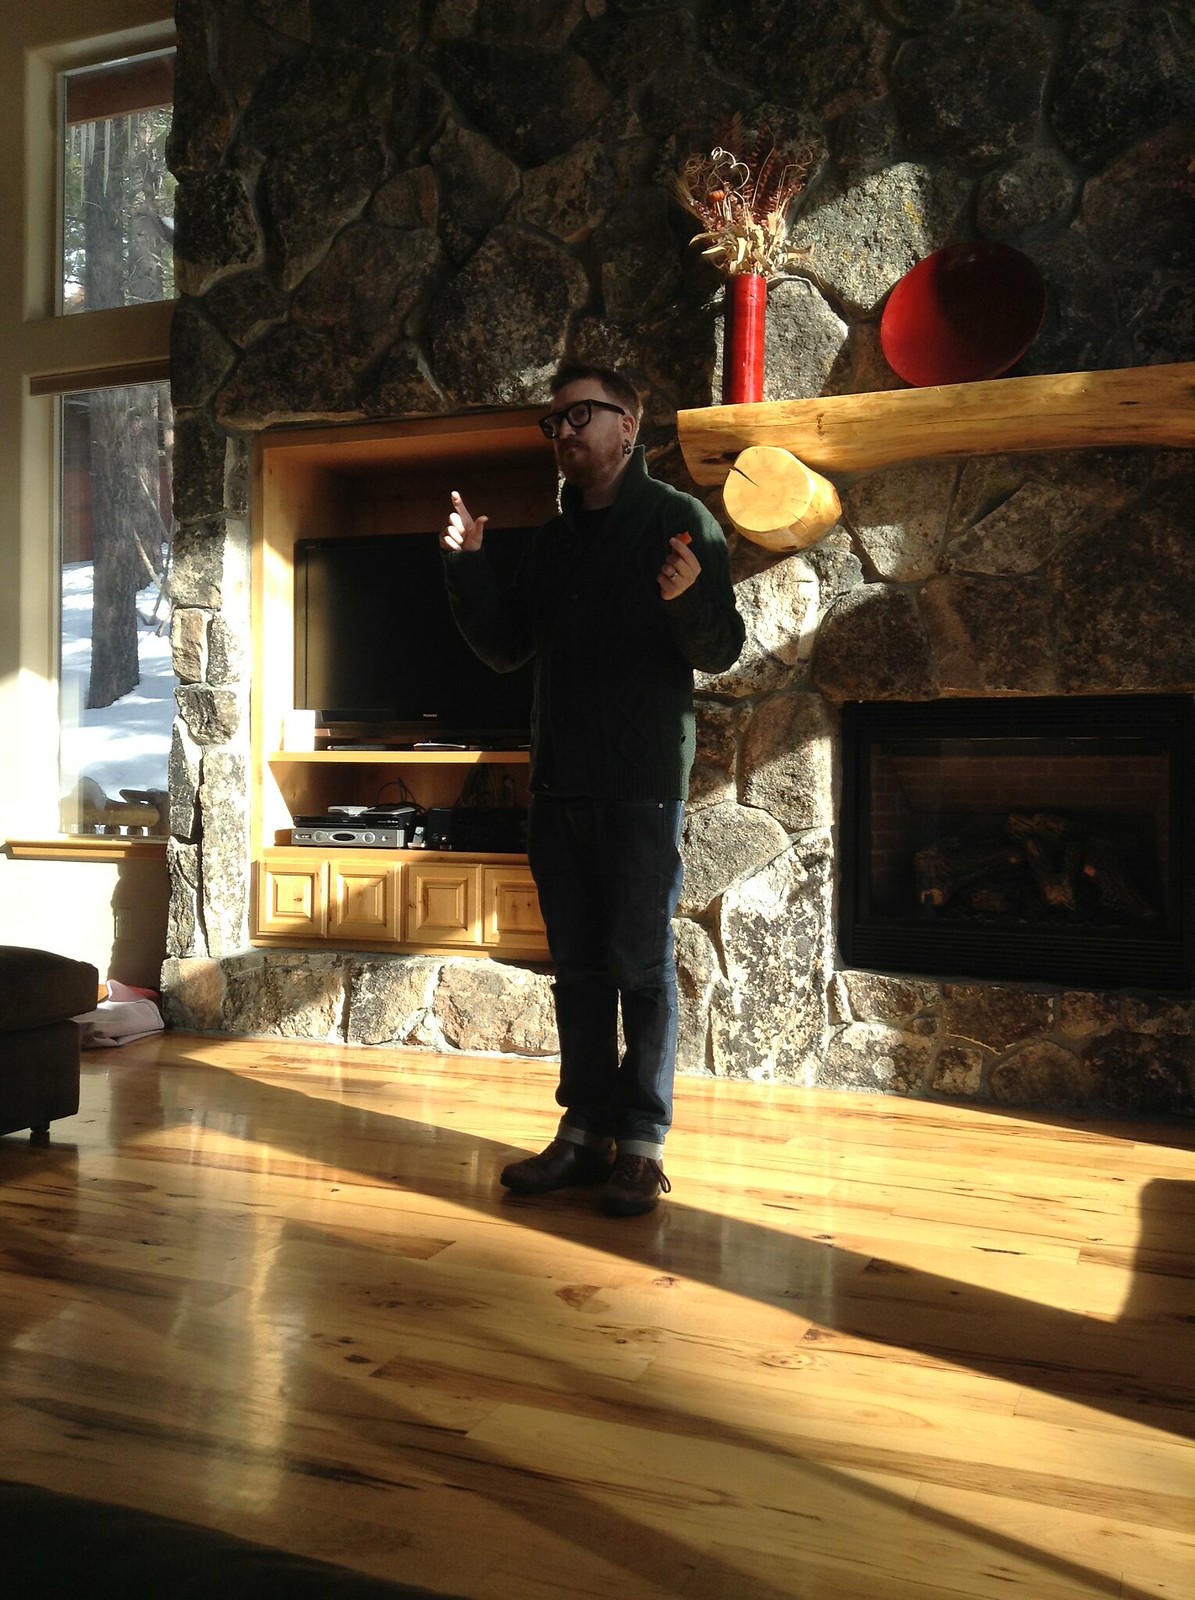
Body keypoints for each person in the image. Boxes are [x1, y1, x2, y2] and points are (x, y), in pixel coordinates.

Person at [440, 362, 745, 1215]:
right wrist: (469, 566)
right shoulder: (551, 542)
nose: (564, 432)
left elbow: (720, 648)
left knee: (639, 968)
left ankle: (640, 1144)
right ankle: (583, 1132)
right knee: (576, 970)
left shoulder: (678, 521)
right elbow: (504, 648)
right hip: (558, 786)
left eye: (581, 415)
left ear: (628, 426)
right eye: (554, 422)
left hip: (642, 786)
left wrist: (687, 599)